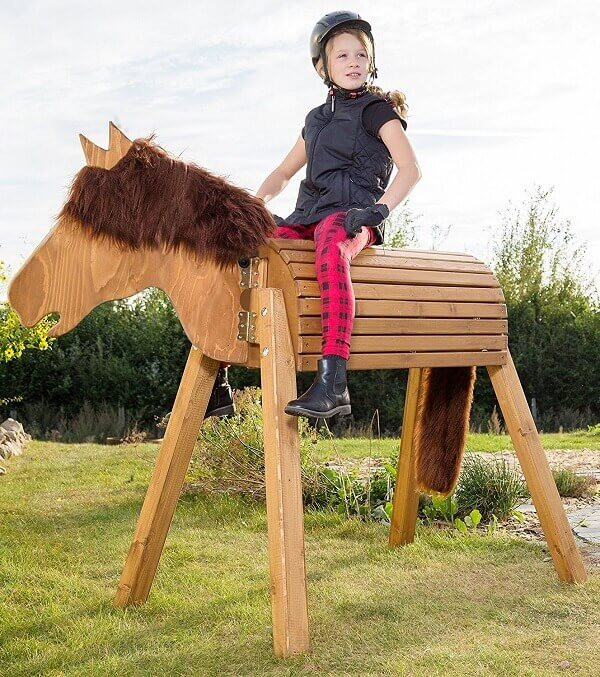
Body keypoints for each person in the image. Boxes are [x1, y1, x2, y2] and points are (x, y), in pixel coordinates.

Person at [204, 10, 421, 420]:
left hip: (352, 216)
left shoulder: (378, 112)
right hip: (309, 213)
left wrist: (378, 211)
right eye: (342, 56)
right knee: (249, 249)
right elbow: (285, 171)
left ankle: (333, 381)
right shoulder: (315, 120)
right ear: (323, 66)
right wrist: (254, 203)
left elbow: (411, 170)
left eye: (361, 54)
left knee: (329, 243)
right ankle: (218, 377)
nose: (354, 62)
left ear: (372, 62)